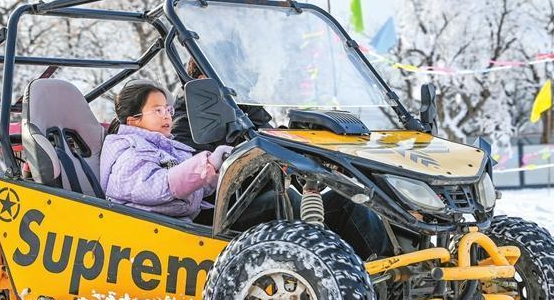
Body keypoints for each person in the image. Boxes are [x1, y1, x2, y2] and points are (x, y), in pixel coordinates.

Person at [172, 59, 390, 259]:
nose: (232, 82)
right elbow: (197, 183)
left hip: (262, 195)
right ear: (201, 81)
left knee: (346, 203)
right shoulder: (186, 123)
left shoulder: (246, 111)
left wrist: (311, 159)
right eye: (225, 73)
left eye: (233, 73)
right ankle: (329, 276)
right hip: (223, 214)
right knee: (287, 204)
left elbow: (275, 145)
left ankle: (388, 268)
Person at [100, 81, 232, 222]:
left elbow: (193, 189)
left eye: (168, 110)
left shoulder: (168, 149)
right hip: (151, 230)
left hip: (179, 221)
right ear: (134, 121)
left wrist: (217, 172)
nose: (167, 116)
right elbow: (157, 187)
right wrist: (208, 165)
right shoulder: (130, 152)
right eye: (158, 110)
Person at [171, 59, 274, 152]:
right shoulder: (184, 124)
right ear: (203, 80)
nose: (235, 81)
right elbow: (202, 168)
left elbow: (272, 140)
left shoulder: (243, 107)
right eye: (226, 74)